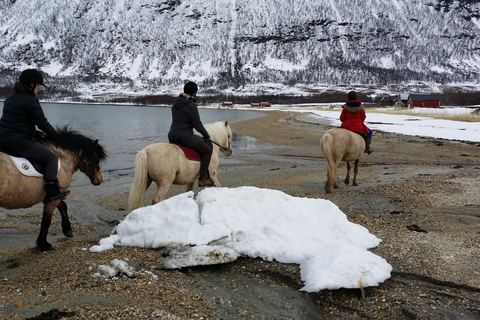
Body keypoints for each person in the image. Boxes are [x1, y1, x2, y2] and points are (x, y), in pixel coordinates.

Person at [0, 69, 70, 201]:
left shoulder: (9, 98)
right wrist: (57, 137)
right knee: (51, 158)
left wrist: (34, 133)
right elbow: (42, 123)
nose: (38, 89)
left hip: (2, 140)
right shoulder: (31, 100)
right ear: (32, 84)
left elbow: (17, 121)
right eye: (38, 85)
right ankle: (51, 190)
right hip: (18, 142)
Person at [168, 81, 214, 187]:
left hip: (172, 135)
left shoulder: (176, 104)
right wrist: (206, 135)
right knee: (207, 150)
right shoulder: (191, 105)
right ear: (194, 93)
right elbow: (197, 124)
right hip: (184, 136)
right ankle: (203, 177)